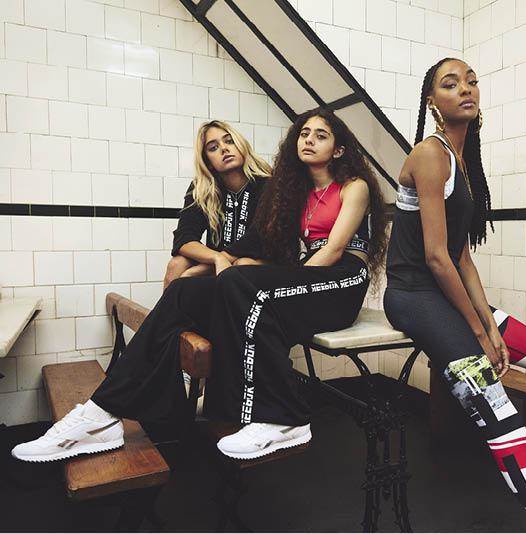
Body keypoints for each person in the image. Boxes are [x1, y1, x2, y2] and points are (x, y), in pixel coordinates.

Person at [12, 108, 387, 461]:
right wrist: (218, 270)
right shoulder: (293, 190)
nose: (309, 140)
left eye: (320, 135)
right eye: (304, 133)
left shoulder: (353, 186)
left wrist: (274, 277)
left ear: (338, 149)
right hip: (304, 278)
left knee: (239, 279)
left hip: (342, 279)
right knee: (182, 293)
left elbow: (332, 250)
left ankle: (286, 417)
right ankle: (102, 414)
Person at [383, 57, 526, 532]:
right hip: (412, 295)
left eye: (471, 81)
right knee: (497, 405)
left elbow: (462, 257)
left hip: (445, 294)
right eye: (451, 84)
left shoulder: (463, 161)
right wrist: (478, 330)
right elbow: (435, 258)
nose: (465, 89)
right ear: (432, 102)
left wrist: (490, 323)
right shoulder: (430, 155)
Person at [164, 120, 271, 288]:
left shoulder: (268, 184)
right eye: (213, 148)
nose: (224, 148)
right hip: (218, 265)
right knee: (177, 264)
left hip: (262, 261)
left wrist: (201, 270)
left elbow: (257, 238)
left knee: (243, 265)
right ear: (208, 162)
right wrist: (216, 258)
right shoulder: (202, 189)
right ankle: (168, 307)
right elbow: (184, 238)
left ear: (241, 145)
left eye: (229, 141)